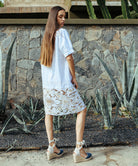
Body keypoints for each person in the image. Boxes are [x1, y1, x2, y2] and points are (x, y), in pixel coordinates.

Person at [39, 6, 92, 163]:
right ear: (53, 17)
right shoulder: (62, 33)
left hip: (49, 85)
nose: (63, 20)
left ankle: (52, 148)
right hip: (62, 84)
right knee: (82, 110)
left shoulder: (47, 35)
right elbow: (69, 57)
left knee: (49, 113)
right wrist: (74, 77)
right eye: (60, 16)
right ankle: (78, 150)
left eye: (64, 17)